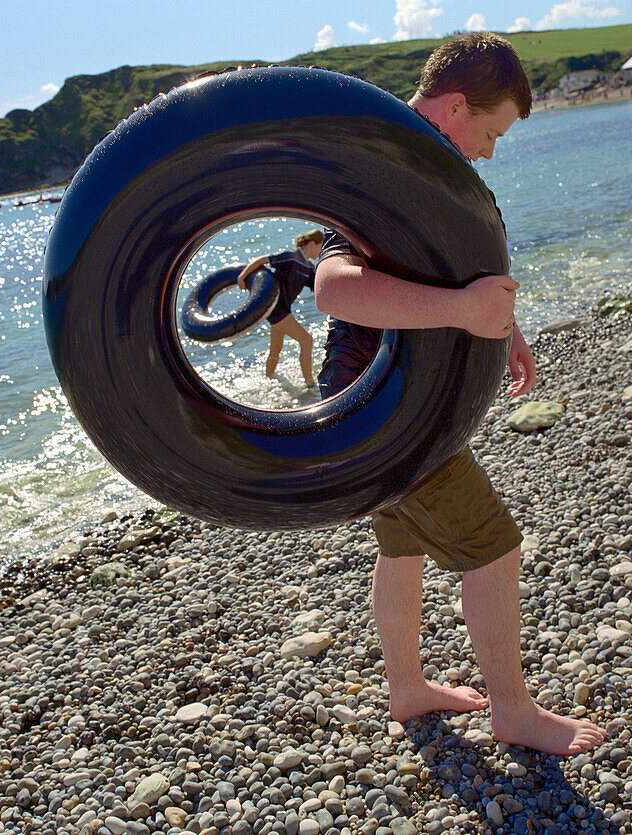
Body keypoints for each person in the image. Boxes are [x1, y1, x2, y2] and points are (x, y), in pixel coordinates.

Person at [313, 33, 606, 756]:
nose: (489, 151)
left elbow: (452, 270)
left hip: (396, 395)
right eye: (489, 131)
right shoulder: (382, 168)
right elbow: (331, 285)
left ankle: (408, 688)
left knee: (403, 539)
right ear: (452, 106)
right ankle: (514, 711)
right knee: (492, 545)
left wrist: (501, 325)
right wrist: (461, 312)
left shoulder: (423, 165)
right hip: (380, 405)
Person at [237, 230, 323, 387]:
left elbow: (320, 288)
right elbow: (262, 260)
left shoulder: (309, 268)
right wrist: (242, 276)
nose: (321, 251)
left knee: (275, 350)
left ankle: (268, 379)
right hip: (276, 307)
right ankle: (310, 385)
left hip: (283, 310)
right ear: (312, 243)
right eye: (320, 246)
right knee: (306, 340)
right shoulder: (291, 256)